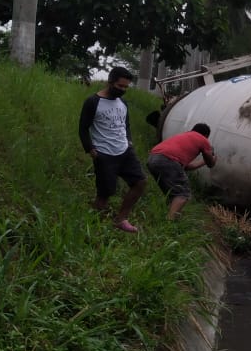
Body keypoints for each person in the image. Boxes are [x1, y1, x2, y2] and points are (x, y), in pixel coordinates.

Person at [78, 66, 148, 233]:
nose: (123, 90)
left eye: (126, 87)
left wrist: (129, 140)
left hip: (125, 151)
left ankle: (120, 218)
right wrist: (90, 149)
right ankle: (93, 226)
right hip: (104, 154)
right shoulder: (93, 102)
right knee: (105, 194)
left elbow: (126, 124)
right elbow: (83, 128)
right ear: (110, 82)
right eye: (120, 86)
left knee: (140, 182)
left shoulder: (122, 103)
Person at [147, 123, 217, 219]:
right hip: (168, 160)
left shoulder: (184, 136)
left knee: (173, 194)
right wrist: (213, 158)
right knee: (183, 194)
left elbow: (186, 167)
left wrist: (203, 162)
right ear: (206, 135)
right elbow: (211, 164)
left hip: (153, 158)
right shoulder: (203, 139)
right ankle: (169, 222)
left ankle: (169, 216)